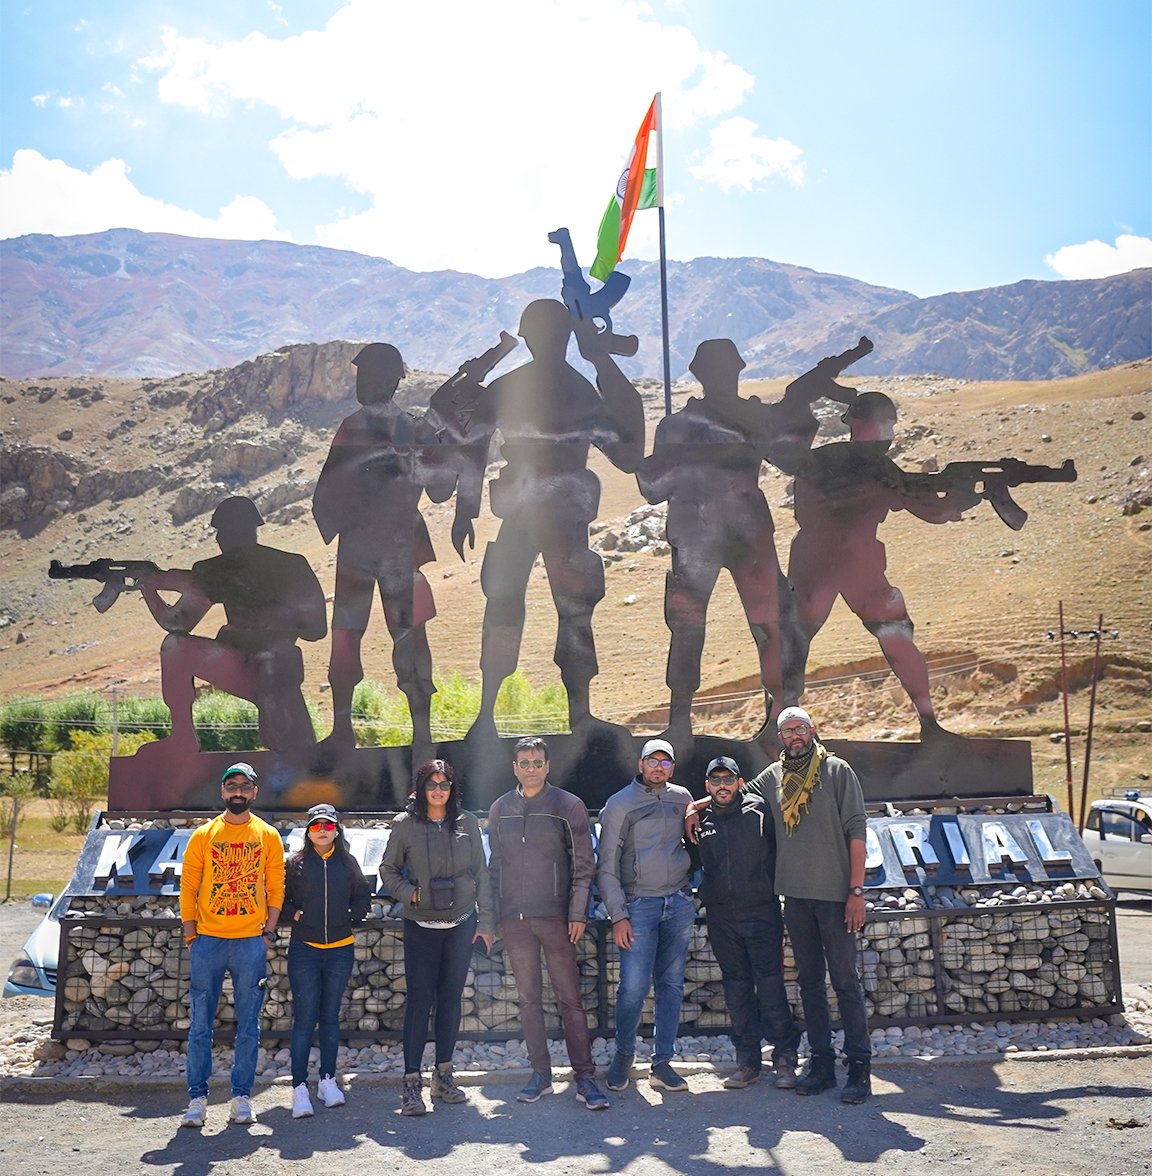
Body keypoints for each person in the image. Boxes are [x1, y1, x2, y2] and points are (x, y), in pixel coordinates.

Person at [460, 299, 645, 737]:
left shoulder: (560, 390)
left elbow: (627, 454)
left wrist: (604, 363)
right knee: (516, 608)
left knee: (566, 611)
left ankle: (570, 715)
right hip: (538, 516)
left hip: (557, 518)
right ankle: (496, 717)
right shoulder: (571, 390)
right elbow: (469, 446)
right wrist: (465, 509)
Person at [771, 392, 982, 736]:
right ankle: (928, 722)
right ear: (861, 424)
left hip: (814, 560)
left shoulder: (819, 459)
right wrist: (963, 501)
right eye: (885, 424)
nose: (888, 432)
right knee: (895, 636)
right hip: (856, 563)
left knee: (794, 643)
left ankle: (775, 724)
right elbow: (932, 510)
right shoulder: (881, 468)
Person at [312, 343, 465, 756]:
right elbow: (330, 490)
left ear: (388, 379)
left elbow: (438, 487)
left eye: (368, 375)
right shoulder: (354, 427)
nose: (362, 382)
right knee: (347, 635)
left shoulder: (409, 429)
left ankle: (421, 732)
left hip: (395, 546)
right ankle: (345, 729)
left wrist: (443, 444)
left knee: (409, 636)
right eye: (361, 375)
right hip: (362, 548)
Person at [139, 495, 327, 760]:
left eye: (221, 532)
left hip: (266, 668)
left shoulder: (217, 570)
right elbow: (316, 629)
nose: (218, 539)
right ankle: (181, 739)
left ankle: (182, 738)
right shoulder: (291, 564)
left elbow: (177, 623)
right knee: (298, 746)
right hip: (269, 665)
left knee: (175, 648)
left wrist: (150, 591)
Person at [749, 707, 872, 1103]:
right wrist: (693, 808)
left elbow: (857, 830)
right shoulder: (775, 776)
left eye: (800, 728)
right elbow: (737, 793)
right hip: (796, 897)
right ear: (780, 737)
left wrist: (856, 891)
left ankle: (860, 1069)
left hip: (836, 897)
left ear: (812, 730)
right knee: (809, 983)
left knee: (845, 982)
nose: (795, 736)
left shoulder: (837, 771)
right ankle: (821, 1064)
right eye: (787, 731)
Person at [487, 737, 609, 1111]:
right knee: (528, 1000)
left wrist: (577, 912)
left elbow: (584, 865)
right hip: (515, 921)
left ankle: (585, 1078)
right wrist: (492, 919)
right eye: (524, 763)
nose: (531, 769)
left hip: (557, 919)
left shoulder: (568, 806)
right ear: (514, 768)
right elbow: (495, 868)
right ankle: (540, 1074)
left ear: (547, 766)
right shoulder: (500, 809)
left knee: (570, 1000)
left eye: (537, 763)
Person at [379, 758, 495, 1115]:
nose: (439, 791)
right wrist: (408, 893)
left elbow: (482, 873)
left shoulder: (468, 823)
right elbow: (387, 868)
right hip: (421, 928)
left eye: (445, 784)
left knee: (450, 1000)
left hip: (460, 925)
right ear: (421, 788)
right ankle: (411, 1083)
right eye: (432, 784)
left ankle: (444, 1075)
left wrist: (487, 923)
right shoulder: (405, 825)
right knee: (419, 1003)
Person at [179, 762, 285, 1128]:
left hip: (249, 942)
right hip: (208, 940)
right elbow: (188, 887)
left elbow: (276, 887)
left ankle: (241, 1096)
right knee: (200, 1025)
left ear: (254, 791)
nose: (237, 792)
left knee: (248, 1025)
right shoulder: (204, 835)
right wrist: (192, 935)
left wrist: (268, 932)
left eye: (244, 786)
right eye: (231, 786)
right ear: (222, 792)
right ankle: (197, 1098)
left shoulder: (268, 835)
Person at [692, 755, 801, 1090]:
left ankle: (784, 1059)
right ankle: (747, 1061)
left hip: (761, 912)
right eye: (716, 780)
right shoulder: (700, 818)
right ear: (708, 786)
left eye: (729, 780)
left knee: (770, 985)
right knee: (736, 986)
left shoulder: (760, 810)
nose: (722, 786)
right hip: (722, 917)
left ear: (740, 782)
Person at [596, 738, 695, 1093]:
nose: (658, 767)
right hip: (639, 906)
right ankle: (624, 1054)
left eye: (665, 762)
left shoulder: (682, 798)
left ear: (673, 767)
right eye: (651, 761)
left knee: (670, 985)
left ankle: (662, 1063)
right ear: (640, 765)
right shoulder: (620, 805)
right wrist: (618, 914)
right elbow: (605, 865)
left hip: (678, 904)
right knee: (633, 988)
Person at [281, 802, 372, 1118]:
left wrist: (352, 915)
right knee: (305, 1020)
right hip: (304, 949)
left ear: (337, 830)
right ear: (308, 830)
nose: (323, 831)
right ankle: (299, 1088)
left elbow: (363, 895)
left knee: (331, 1018)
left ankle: (328, 1080)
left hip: (340, 949)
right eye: (317, 825)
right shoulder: (294, 865)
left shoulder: (348, 864)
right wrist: (294, 913)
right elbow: (280, 899)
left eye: (328, 826)